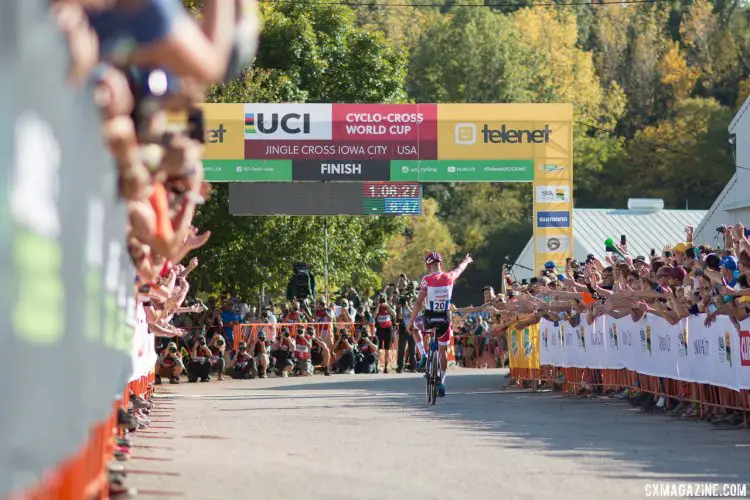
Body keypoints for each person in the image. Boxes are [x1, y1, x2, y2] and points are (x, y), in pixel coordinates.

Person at [408, 252, 473, 398]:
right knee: (443, 352)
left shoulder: (426, 280)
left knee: (415, 328)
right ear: (440, 263)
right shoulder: (450, 277)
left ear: (428, 264)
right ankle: (442, 382)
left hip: (429, 318)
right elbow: (460, 269)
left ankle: (423, 355)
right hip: (444, 318)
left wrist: (411, 323)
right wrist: (466, 260)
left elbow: (418, 303)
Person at [373, 294, 397, 374]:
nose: (382, 302)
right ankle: (378, 365)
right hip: (380, 329)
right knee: (379, 348)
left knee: (387, 349)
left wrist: (387, 306)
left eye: (383, 300)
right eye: (381, 300)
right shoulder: (377, 307)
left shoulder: (388, 306)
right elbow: (374, 316)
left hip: (388, 329)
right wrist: (378, 306)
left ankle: (386, 367)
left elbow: (394, 314)